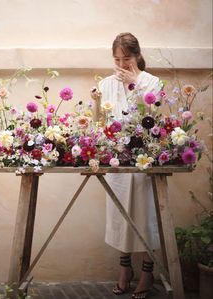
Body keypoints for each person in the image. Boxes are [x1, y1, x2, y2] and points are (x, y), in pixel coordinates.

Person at [91, 33, 161, 299]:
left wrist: (137, 83)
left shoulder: (152, 81)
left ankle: (147, 271)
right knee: (121, 215)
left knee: (145, 215)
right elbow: (99, 122)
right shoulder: (106, 83)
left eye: (127, 59)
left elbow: (152, 117)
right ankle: (125, 270)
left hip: (144, 160)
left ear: (138, 56)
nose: (122, 65)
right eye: (117, 59)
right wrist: (97, 101)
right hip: (117, 160)